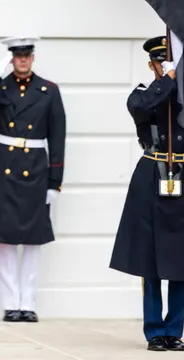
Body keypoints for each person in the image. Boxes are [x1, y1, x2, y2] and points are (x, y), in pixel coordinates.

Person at [0, 36, 66, 323]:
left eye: (26, 56)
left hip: (35, 166)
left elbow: (57, 138)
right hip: (3, 167)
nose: (22, 60)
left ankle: (29, 304)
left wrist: (54, 181)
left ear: (32, 58)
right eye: (17, 56)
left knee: (32, 240)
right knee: (5, 239)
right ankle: (11, 303)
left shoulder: (48, 90)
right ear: (11, 59)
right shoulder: (1, 86)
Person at [110, 35, 184, 352]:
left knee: (181, 261)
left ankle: (174, 329)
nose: (164, 67)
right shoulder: (141, 94)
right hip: (152, 175)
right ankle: (155, 330)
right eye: (159, 62)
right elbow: (144, 107)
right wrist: (167, 80)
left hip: (181, 176)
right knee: (150, 260)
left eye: (170, 63)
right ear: (151, 64)